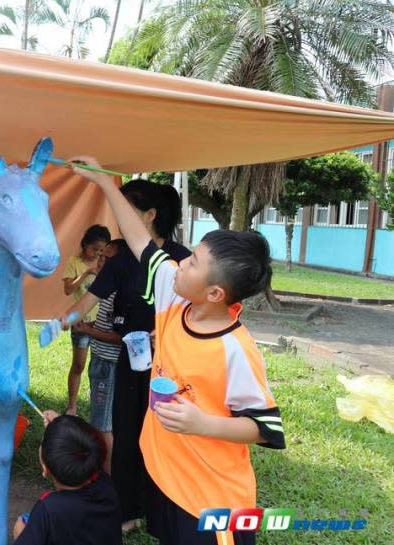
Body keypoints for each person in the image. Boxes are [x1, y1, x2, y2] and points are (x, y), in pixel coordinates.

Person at [71, 157, 286, 545]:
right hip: (166, 479)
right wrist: (104, 182)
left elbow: (266, 427)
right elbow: (139, 239)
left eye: (193, 262)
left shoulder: (235, 349)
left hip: (212, 501)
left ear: (215, 294)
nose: (180, 262)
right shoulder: (174, 297)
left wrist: (203, 424)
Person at [62, 180, 191, 533]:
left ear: (150, 215)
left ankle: (165, 509)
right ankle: (129, 511)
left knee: (165, 435)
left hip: (171, 368)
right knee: (127, 432)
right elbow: (91, 297)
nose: (119, 218)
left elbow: (197, 310)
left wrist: (165, 334)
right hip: (131, 361)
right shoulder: (122, 260)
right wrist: (67, 318)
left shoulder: (181, 259)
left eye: (127, 209)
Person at [12, 412, 122, 545]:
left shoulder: (49, 509)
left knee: (21, 526)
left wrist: (21, 534)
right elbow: (82, 445)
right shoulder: (105, 484)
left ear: (45, 469)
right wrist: (64, 428)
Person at [70, 239, 123, 474]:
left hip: (109, 364)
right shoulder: (107, 289)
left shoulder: (121, 292)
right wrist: (91, 325)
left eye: (108, 258)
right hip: (100, 358)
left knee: (103, 426)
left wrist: (89, 331)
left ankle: (106, 477)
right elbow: (106, 324)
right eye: (101, 255)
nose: (102, 261)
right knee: (100, 419)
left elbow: (120, 336)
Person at [62, 225, 111, 416]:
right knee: (79, 365)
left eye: (102, 251)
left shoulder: (106, 263)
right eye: (95, 249)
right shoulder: (74, 262)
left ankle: (96, 403)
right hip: (81, 323)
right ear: (85, 245)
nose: (98, 254)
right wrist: (87, 273)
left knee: (99, 368)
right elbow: (68, 290)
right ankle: (72, 406)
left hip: (102, 324)